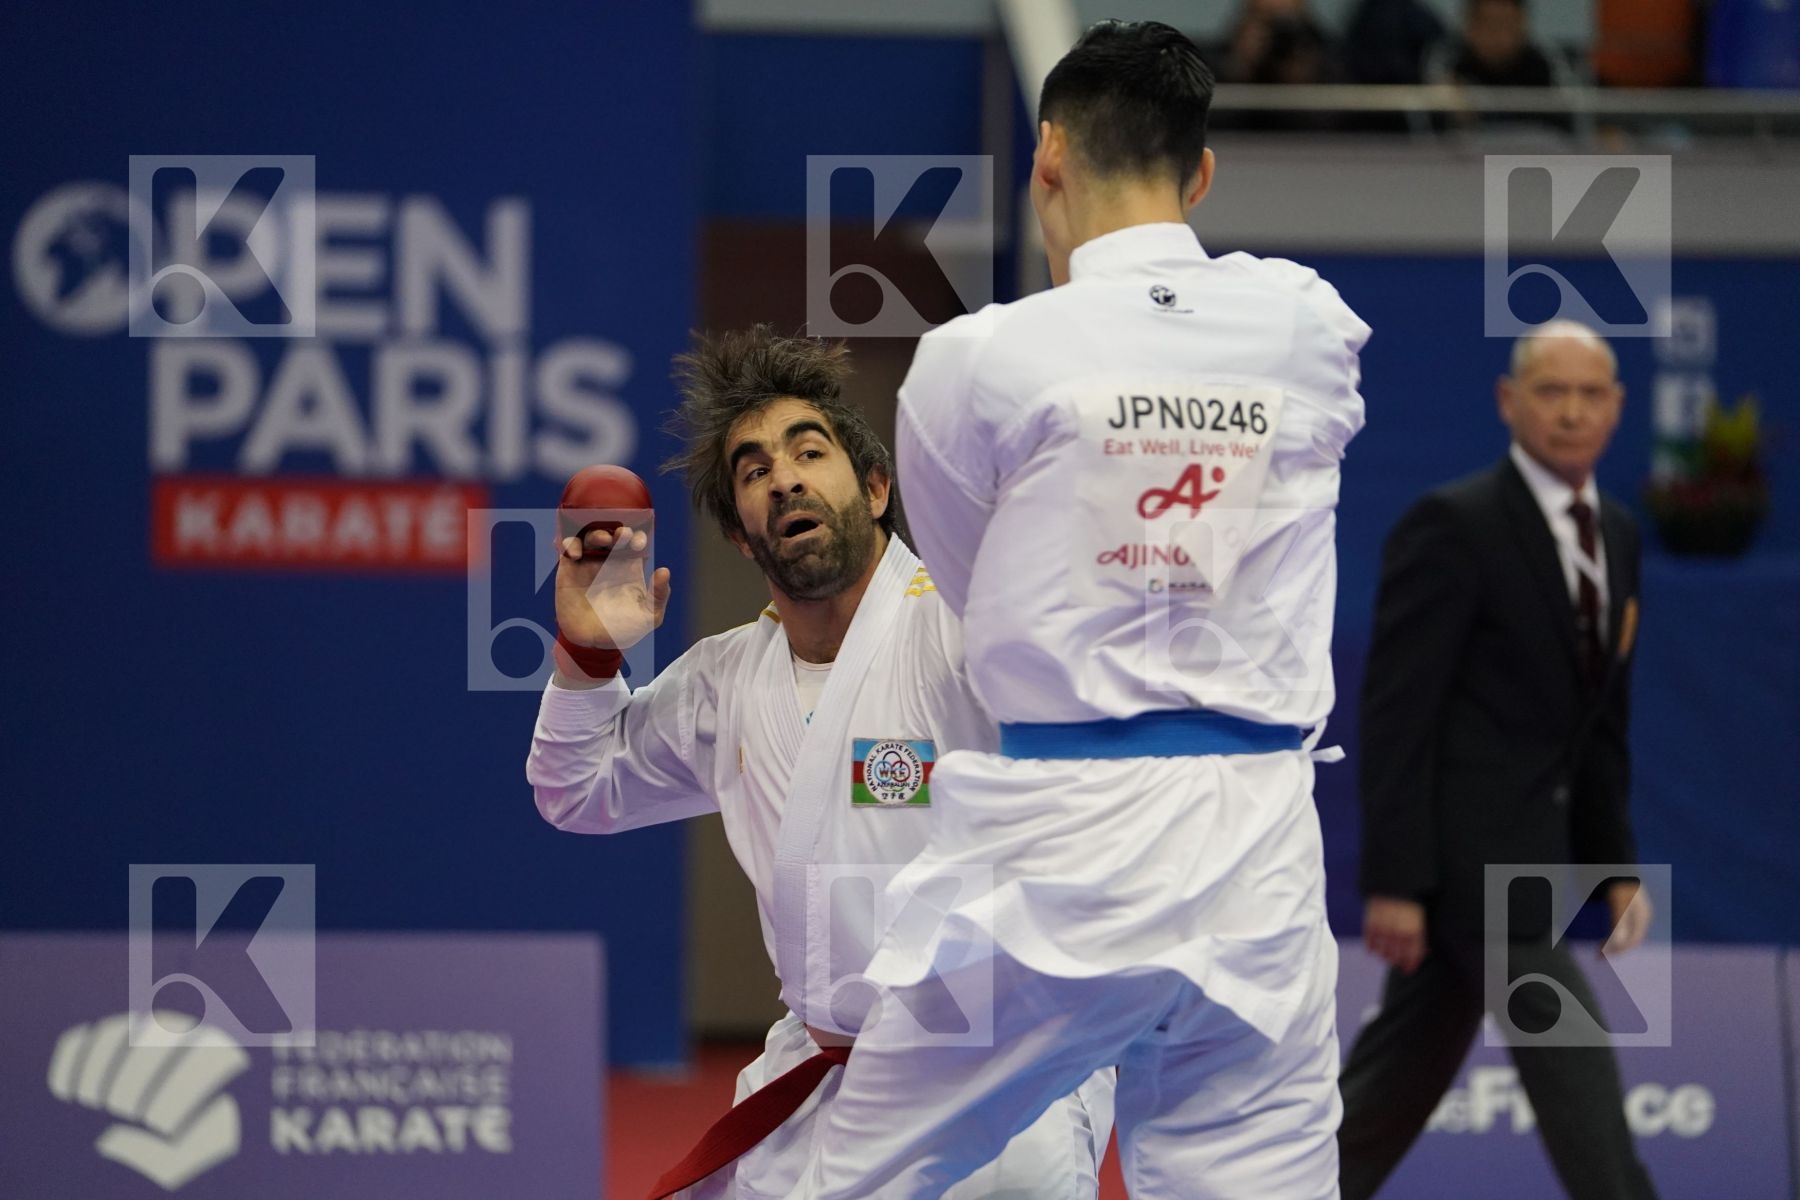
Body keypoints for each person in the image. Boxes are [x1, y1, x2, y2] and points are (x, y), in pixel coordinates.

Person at [804, 21, 1370, 1199]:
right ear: (1203, 174)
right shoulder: (1308, 326)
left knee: (847, 1176)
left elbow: (967, 579)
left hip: (1063, 841)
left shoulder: (976, 358)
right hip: (1260, 851)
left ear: (1046, 156)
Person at [526, 326, 1113, 1199]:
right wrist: (588, 656)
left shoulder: (965, 629)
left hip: (991, 1080)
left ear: (875, 488)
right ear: (742, 534)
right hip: (824, 1075)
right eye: (754, 470)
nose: (785, 477)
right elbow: (577, 790)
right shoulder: (728, 680)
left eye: (810, 450)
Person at [1338, 320, 1659, 1200]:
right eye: (1550, 392)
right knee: (1582, 1087)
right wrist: (1396, 881)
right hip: (1471, 878)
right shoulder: (1455, 524)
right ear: (1509, 403)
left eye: (1590, 395)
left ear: (1617, 409)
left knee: (1376, 1108)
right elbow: (1397, 713)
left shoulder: (1620, 537)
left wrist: (1614, 868)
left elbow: (1597, 726)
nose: (1570, 413)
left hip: (1534, 870)